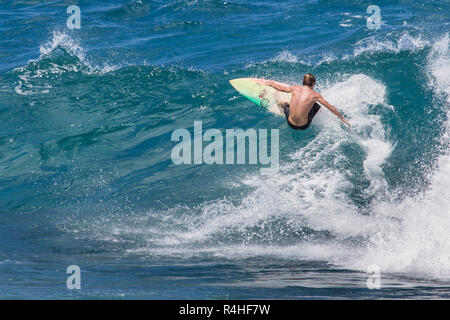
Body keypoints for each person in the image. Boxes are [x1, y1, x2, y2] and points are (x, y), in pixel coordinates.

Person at [257, 74, 350, 130]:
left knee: (286, 104)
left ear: (303, 82)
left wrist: (271, 83)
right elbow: (330, 107)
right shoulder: (315, 95)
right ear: (313, 84)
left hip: (291, 123)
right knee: (315, 104)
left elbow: (281, 88)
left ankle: (280, 103)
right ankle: (315, 111)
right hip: (304, 125)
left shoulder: (294, 88)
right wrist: (342, 118)